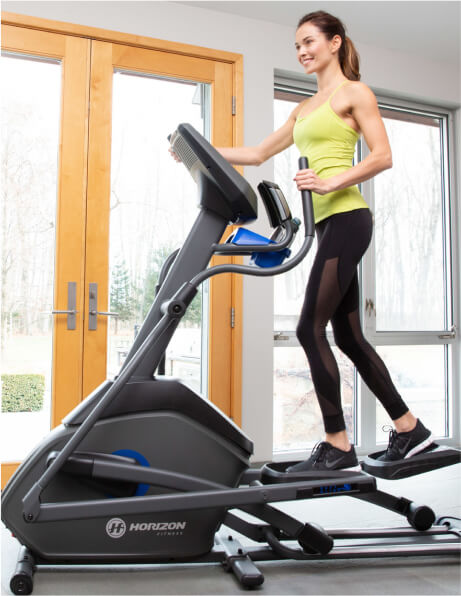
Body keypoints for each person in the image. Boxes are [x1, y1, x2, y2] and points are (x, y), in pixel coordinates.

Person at [170, 10, 433, 472]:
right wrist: (197, 146)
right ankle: (410, 427)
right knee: (348, 336)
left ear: (334, 43)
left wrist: (332, 183)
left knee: (308, 327)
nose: (302, 51)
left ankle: (338, 442)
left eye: (310, 41)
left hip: (349, 217)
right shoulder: (304, 109)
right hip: (328, 224)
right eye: (297, 46)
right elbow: (256, 153)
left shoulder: (355, 93)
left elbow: (383, 155)